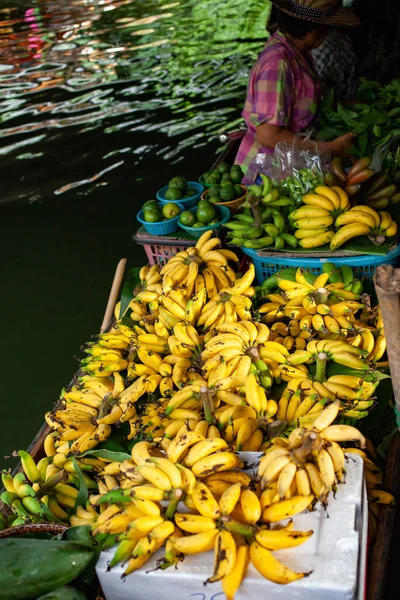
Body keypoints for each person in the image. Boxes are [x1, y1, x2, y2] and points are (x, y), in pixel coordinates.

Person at [236, 0, 360, 183]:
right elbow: (268, 135)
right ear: (314, 31)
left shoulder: (297, 52)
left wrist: (353, 105)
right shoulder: (277, 63)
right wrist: (330, 148)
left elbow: (306, 100)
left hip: (291, 161)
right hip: (265, 173)